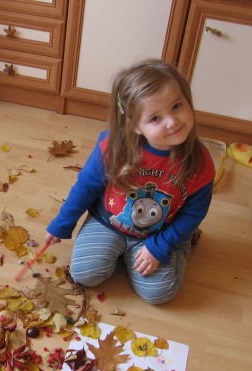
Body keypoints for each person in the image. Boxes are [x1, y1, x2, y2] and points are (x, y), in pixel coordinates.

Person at [45, 59, 215, 304]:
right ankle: (123, 252)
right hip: (108, 222)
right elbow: (86, 187)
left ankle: (178, 246)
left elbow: (194, 213)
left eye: (177, 106)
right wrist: (63, 223)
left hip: (159, 232)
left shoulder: (200, 163)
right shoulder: (111, 147)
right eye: (155, 118)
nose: (172, 121)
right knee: (84, 275)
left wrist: (161, 246)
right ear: (135, 125)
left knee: (159, 295)